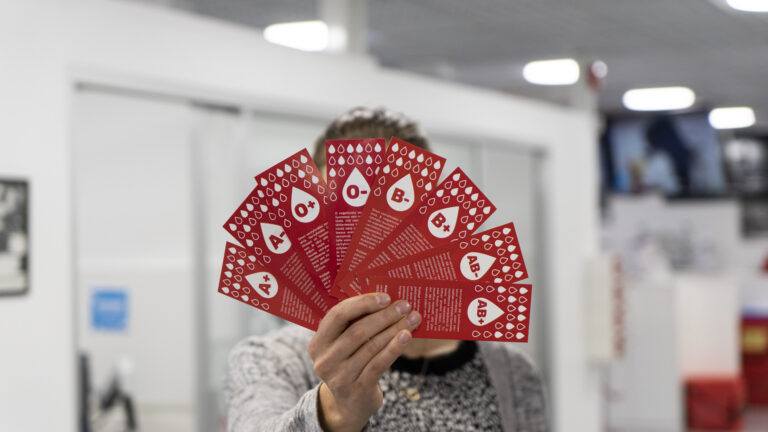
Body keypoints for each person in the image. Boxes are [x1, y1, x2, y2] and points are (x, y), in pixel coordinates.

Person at [225, 107, 548, 432]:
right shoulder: (272, 361)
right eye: (340, 216)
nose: (361, 243)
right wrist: (333, 413)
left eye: (387, 210)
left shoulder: (513, 371)